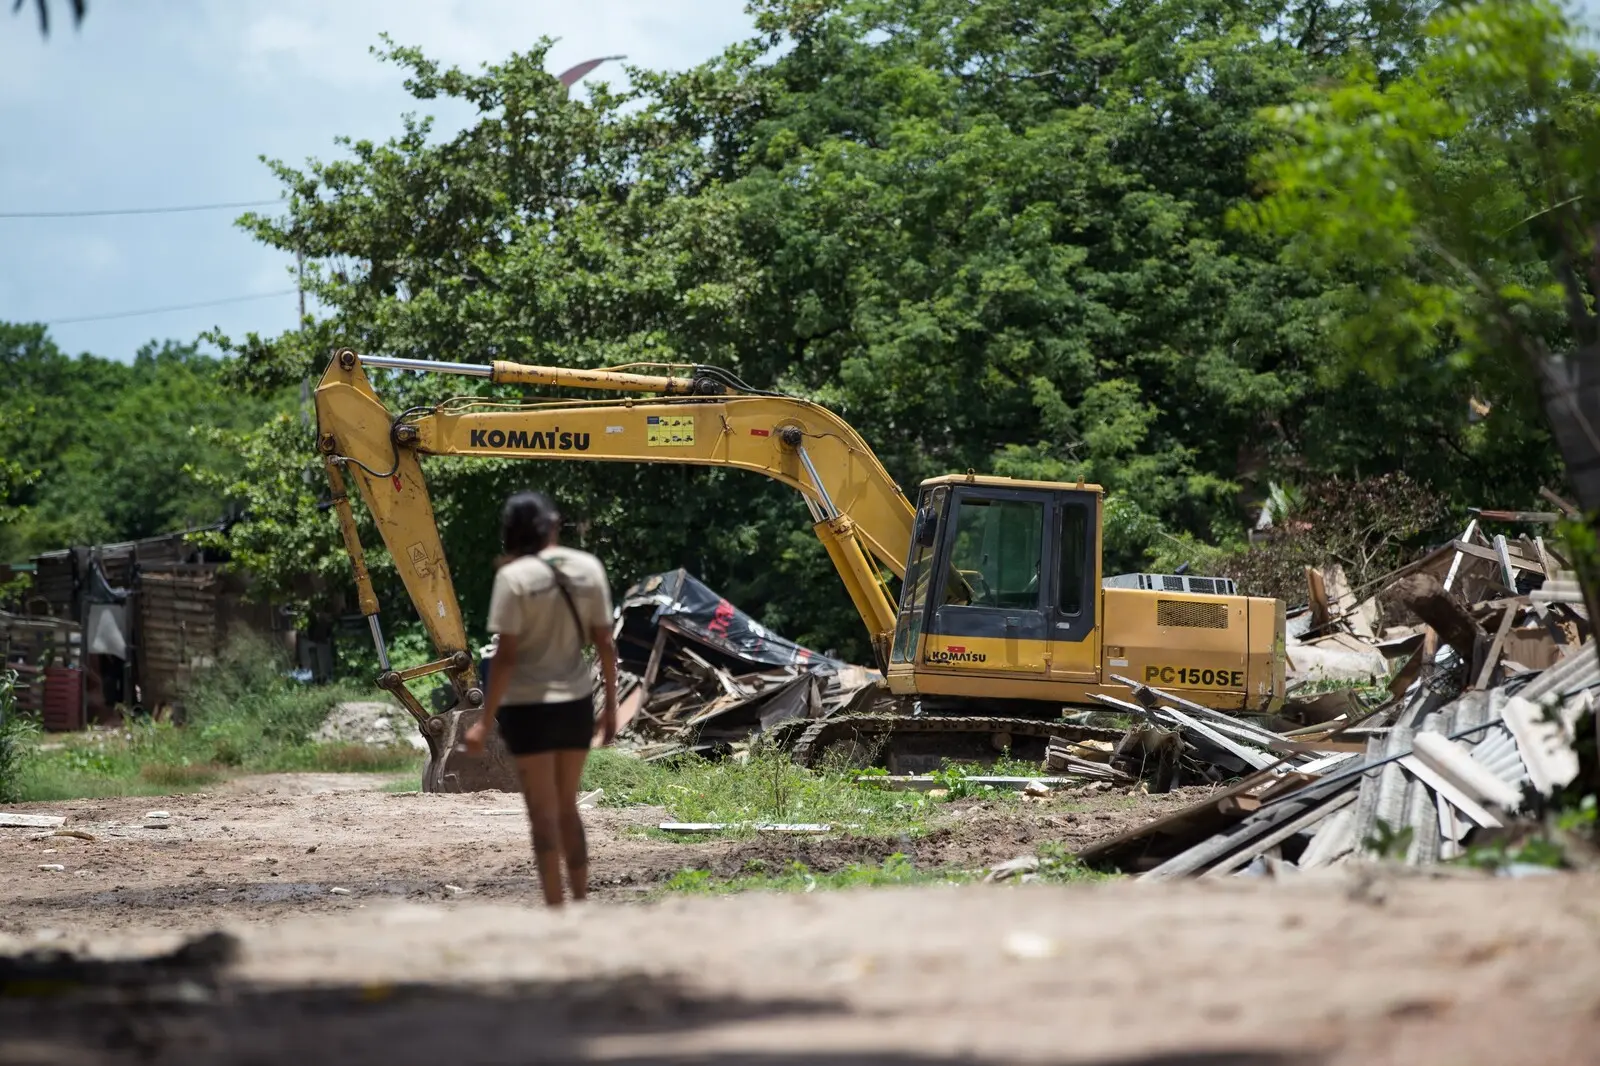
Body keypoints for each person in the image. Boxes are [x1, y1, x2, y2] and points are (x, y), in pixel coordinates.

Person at [464, 491, 619, 907]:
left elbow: (507, 656)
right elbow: (605, 642)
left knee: (541, 812)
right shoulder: (588, 568)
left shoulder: (513, 579)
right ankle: (582, 902)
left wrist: (484, 720)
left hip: (526, 709)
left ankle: (556, 908)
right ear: (553, 525)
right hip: (575, 703)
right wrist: (612, 710)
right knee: (568, 805)